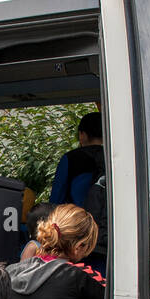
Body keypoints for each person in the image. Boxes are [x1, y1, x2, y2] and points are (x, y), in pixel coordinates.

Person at [48, 112, 108, 274]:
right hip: (107, 240)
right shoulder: (115, 160)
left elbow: (56, 201)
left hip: (74, 240)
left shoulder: (71, 159)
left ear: (82, 135)